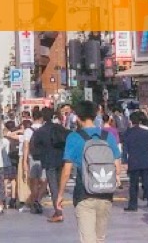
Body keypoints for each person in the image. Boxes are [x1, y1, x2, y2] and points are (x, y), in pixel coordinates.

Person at [59, 101, 122, 243]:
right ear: (95, 116)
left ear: (77, 117)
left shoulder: (73, 137)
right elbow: (117, 168)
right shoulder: (107, 136)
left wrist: (60, 195)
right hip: (106, 193)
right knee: (100, 239)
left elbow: (66, 171)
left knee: (88, 240)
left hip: (84, 195)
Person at [29, 107, 68, 222]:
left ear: (42, 117)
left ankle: (58, 212)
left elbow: (35, 147)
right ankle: (59, 208)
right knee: (59, 186)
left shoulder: (40, 131)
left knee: (53, 186)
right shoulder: (60, 128)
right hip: (61, 159)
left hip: (49, 161)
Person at [121, 110, 148, 213]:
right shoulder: (146, 132)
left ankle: (133, 205)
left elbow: (125, 149)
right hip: (146, 161)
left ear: (131, 121)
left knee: (133, 185)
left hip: (133, 161)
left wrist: (124, 161)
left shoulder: (127, 133)